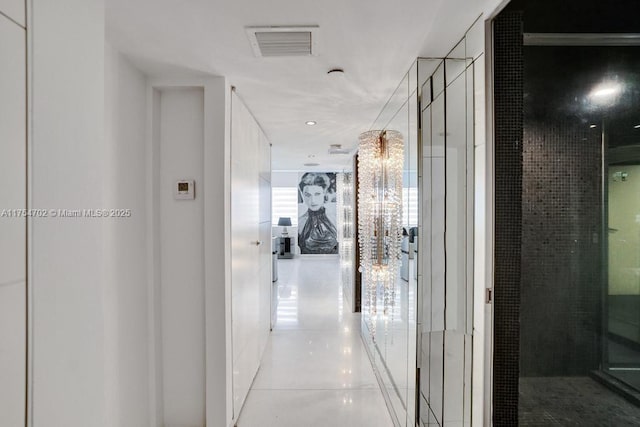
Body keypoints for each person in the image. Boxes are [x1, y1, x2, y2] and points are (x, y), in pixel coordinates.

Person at [298, 172, 338, 254]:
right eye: (308, 195)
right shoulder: (300, 222)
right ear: (302, 195)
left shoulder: (336, 219)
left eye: (317, 194)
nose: (312, 200)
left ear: (324, 192)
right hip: (306, 263)